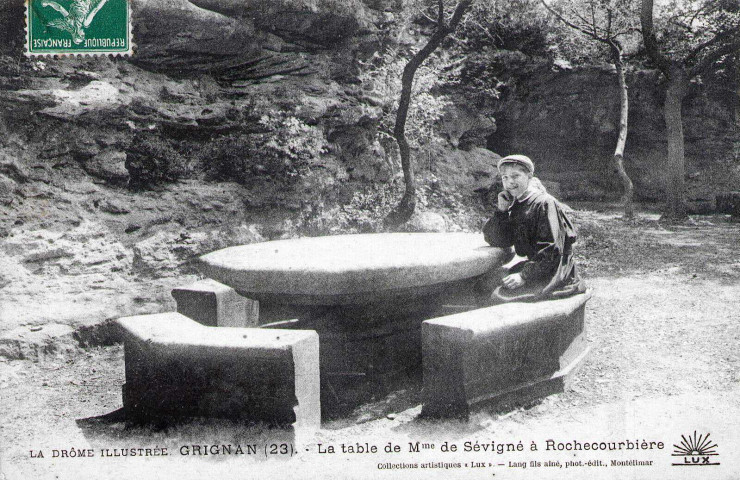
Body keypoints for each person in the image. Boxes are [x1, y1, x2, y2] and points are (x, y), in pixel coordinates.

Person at [482, 154, 586, 302]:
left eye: (515, 176)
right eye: (505, 177)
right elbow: (499, 240)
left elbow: (552, 249)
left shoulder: (544, 203)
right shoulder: (518, 204)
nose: (509, 182)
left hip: (555, 271)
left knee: (498, 297)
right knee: (485, 284)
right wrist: (502, 211)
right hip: (538, 266)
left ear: (529, 176)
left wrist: (524, 276)